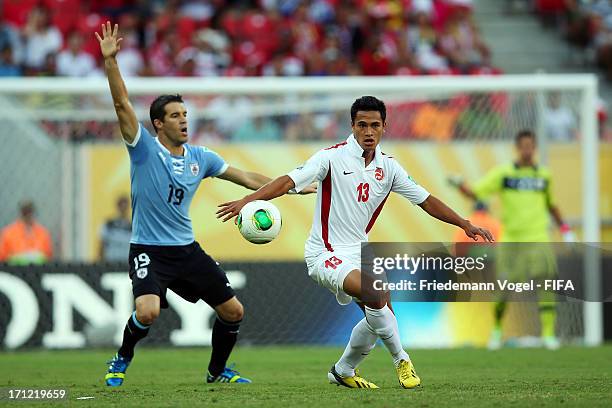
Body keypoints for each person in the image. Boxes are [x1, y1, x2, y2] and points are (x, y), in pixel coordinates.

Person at [217, 96, 493, 389]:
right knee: (376, 296)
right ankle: (402, 360)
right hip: (324, 252)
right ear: (352, 126)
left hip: (360, 250)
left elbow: (425, 201)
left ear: (384, 127)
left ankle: (343, 369)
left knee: (383, 314)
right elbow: (286, 181)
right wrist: (248, 199)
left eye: (375, 125)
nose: (368, 131)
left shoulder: (389, 167)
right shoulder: (330, 158)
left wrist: (464, 223)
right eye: (362, 125)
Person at [95, 22, 313, 387]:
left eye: (185, 115)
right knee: (147, 312)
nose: (184, 121)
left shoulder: (202, 157)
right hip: (148, 249)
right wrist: (111, 63)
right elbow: (121, 104)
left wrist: (290, 187)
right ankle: (122, 357)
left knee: (233, 311)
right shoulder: (144, 149)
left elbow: (245, 177)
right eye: (176, 116)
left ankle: (216, 372)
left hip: (186, 250)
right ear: (157, 124)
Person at [448, 129, 574, 349]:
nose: (527, 150)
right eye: (523, 146)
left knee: (547, 283)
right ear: (518, 148)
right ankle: (496, 330)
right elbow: (476, 192)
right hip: (512, 240)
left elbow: (552, 205)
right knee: (503, 288)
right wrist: (460, 184)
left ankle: (547, 334)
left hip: (538, 238)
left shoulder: (543, 176)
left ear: (534, 148)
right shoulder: (504, 174)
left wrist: (565, 230)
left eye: (530, 146)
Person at [99, 195, 132, 262]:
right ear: (118, 207)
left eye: (125, 207)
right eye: (121, 206)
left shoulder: (131, 226)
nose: (123, 209)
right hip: (111, 261)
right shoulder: (109, 224)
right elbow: (102, 243)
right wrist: (101, 260)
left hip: (126, 262)